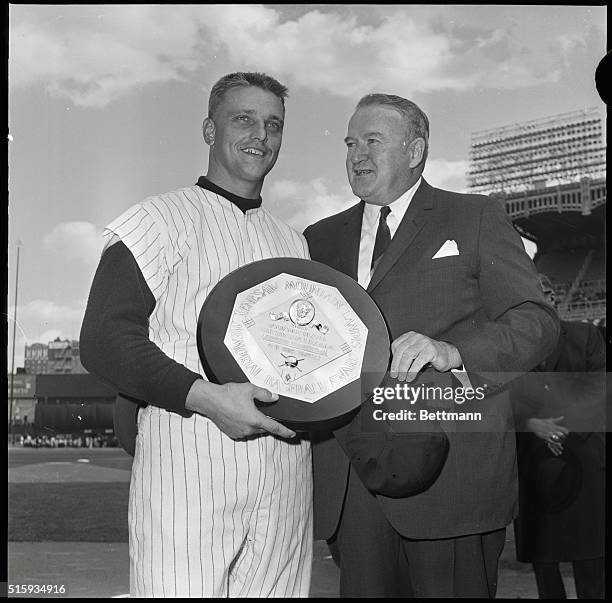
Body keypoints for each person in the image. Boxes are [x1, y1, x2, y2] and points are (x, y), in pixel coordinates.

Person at [303, 93, 559, 598]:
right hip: (353, 484)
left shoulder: (474, 216)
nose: (357, 155)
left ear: (415, 150)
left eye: (373, 141)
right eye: (352, 143)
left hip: (453, 481)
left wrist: (455, 351)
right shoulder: (319, 238)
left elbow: (537, 321)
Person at [80, 72, 313, 598]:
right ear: (209, 130)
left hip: (285, 471)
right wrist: (207, 398)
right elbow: (103, 338)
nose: (260, 134)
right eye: (243, 119)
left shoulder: (294, 242)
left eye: (273, 124)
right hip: (190, 461)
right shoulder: (156, 220)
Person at [512, 275, 605, 599]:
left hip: (584, 465)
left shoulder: (586, 335)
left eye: (545, 294)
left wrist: (560, 428)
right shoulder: (513, 351)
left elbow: (599, 392)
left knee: (592, 567)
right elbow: (503, 403)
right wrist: (532, 424)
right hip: (536, 472)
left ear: (554, 297)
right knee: (545, 566)